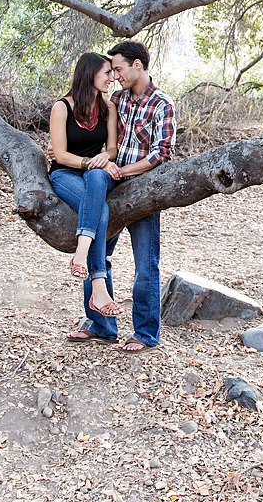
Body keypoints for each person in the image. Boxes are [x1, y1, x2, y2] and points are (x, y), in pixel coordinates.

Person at [51, 40, 175, 352]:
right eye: (111, 71)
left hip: (144, 188)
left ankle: (146, 334)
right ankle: (101, 325)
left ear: (138, 65)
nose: (115, 75)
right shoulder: (117, 99)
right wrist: (65, 153)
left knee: (146, 263)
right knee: (100, 248)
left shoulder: (162, 104)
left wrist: (123, 169)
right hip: (109, 181)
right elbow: (99, 137)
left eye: (118, 69)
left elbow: (162, 154)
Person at [46, 53, 121, 325]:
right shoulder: (62, 107)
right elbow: (60, 155)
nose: (112, 78)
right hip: (66, 174)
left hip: (95, 175)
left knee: (99, 180)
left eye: (113, 73)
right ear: (90, 74)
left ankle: (83, 255)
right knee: (100, 209)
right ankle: (98, 286)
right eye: (107, 74)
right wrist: (90, 162)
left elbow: (112, 148)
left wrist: (105, 158)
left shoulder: (108, 108)